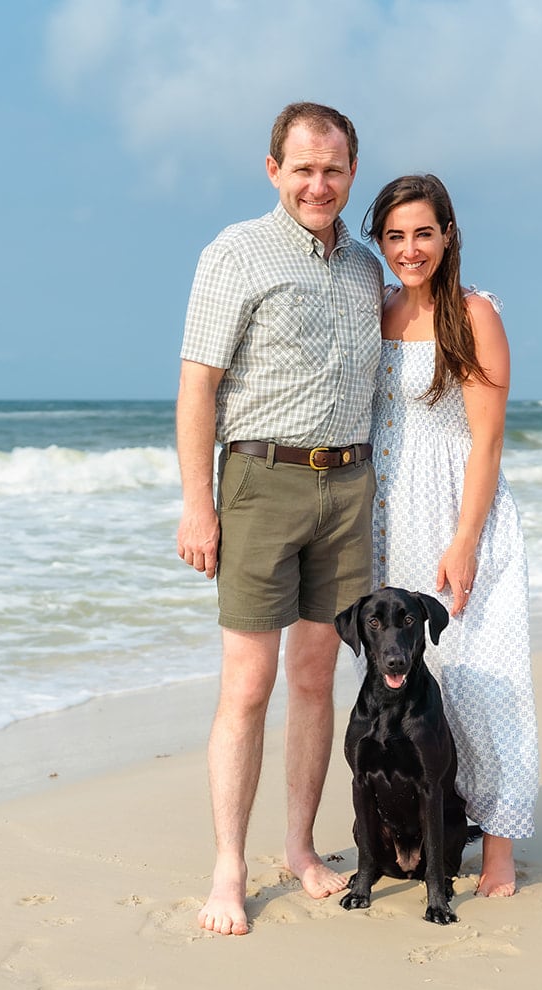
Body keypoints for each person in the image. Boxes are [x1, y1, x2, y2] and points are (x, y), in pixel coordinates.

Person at [175, 102, 384, 935]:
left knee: (314, 678)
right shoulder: (235, 252)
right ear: (274, 171)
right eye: (302, 168)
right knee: (249, 683)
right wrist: (199, 502)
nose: (318, 183)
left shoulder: (367, 269)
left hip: (350, 486)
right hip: (261, 482)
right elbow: (197, 385)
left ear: (351, 173)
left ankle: (300, 847)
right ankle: (229, 864)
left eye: (332, 169)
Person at [361, 174, 539, 897]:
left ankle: (499, 846)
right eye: (396, 235)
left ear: (448, 235)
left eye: (423, 233)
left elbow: (488, 442)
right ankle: (420, 829)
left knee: (486, 684)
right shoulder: (377, 312)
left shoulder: (474, 314)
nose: (410, 248)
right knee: (410, 686)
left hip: (465, 516)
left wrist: (465, 539)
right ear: (380, 241)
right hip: (392, 519)